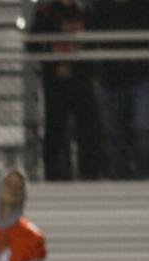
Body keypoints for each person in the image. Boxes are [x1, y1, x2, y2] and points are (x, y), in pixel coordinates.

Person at [90, 0, 149, 179]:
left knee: (143, 129)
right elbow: (89, 42)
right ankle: (121, 178)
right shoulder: (100, 8)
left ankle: (146, 177)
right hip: (110, 81)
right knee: (115, 135)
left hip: (142, 79)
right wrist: (94, 73)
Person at [29, 0, 105, 181]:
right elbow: (32, 44)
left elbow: (98, 41)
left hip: (83, 79)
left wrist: (89, 67)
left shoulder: (87, 10)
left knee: (87, 129)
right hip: (56, 82)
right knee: (55, 128)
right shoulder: (46, 11)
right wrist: (55, 59)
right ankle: (54, 176)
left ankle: (90, 175)